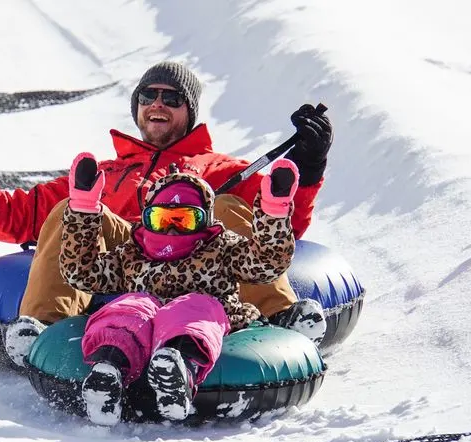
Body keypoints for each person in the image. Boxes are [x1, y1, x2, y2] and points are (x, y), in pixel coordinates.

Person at [0, 61, 333, 367]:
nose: (157, 103)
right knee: (71, 207)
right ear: (136, 107)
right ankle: (43, 330)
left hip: (203, 276)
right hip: (119, 272)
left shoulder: (224, 170)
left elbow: (280, 228)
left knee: (231, 206)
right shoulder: (103, 174)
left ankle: (280, 318)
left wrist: (309, 167)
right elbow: (12, 216)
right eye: (148, 95)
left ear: (189, 113)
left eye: (171, 98)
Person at [60, 150, 299, 425]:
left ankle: (178, 372)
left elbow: (265, 264)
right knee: (128, 307)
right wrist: (82, 208)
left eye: (184, 220)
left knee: (194, 307)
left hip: (198, 315)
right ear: (147, 219)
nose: (171, 230)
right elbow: (81, 272)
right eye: (162, 219)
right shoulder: (133, 253)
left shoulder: (220, 247)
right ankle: (109, 371)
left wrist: (274, 211)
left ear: (204, 222)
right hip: (144, 320)